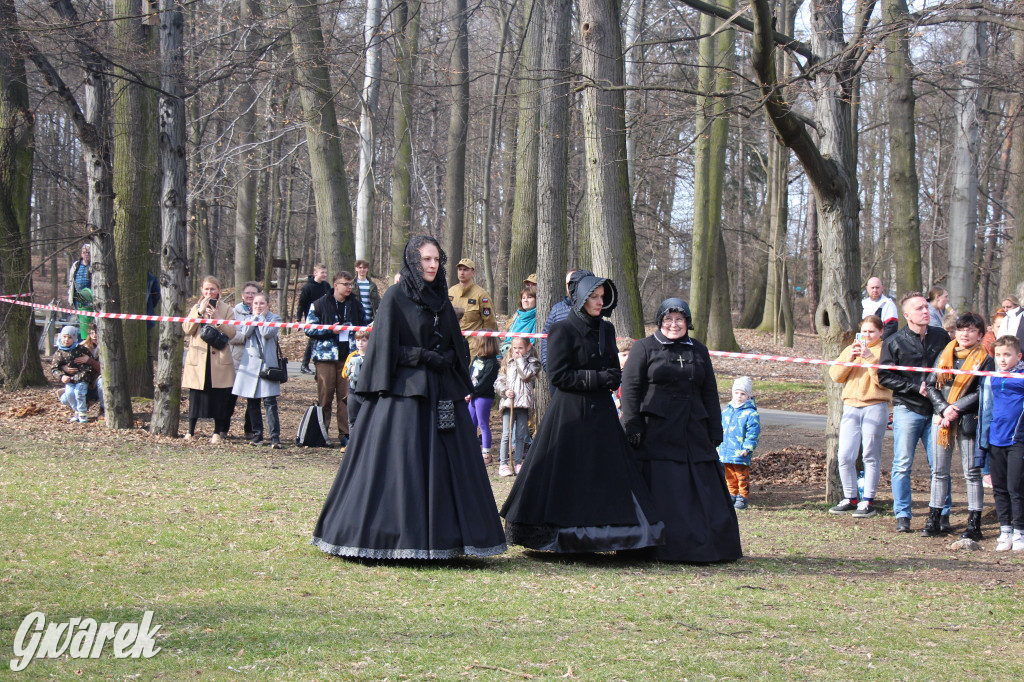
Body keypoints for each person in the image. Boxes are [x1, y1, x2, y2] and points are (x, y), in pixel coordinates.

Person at [311, 235, 507, 560]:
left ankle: (449, 537)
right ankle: (394, 535)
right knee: (402, 463)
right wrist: (421, 356)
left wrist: (447, 359)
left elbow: (454, 342)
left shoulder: (442, 300)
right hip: (404, 394)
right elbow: (385, 347)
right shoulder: (395, 297)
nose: (432, 265)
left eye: (436, 260)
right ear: (414, 262)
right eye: (426, 260)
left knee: (448, 463)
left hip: (441, 393)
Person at [501, 275, 665, 554]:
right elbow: (559, 375)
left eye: (602, 297)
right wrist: (599, 378)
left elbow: (615, 372)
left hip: (601, 413)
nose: (600, 302)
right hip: (569, 413)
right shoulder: (561, 329)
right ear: (581, 298)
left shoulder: (607, 330)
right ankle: (563, 535)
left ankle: (609, 535)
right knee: (567, 471)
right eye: (594, 297)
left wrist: (603, 378)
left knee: (605, 472)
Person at [619, 297, 741, 562]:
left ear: (687, 322)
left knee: (700, 490)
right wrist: (632, 424)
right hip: (656, 432)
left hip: (692, 431)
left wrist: (714, 428)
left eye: (679, 319)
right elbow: (630, 389)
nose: (674, 325)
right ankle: (657, 546)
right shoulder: (644, 348)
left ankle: (702, 545)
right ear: (660, 321)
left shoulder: (698, 350)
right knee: (664, 490)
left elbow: (709, 391)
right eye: (668, 319)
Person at [878, 292, 952, 532]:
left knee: (939, 466)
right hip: (907, 408)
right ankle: (902, 515)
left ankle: (942, 514)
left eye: (927, 307)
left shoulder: (941, 337)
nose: (925, 311)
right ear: (906, 314)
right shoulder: (894, 341)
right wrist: (914, 387)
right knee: (902, 464)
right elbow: (885, 375)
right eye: (919, 308)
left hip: (937, 410)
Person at [922, 312, 992, 539]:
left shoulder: (985, 358)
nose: (965, 333)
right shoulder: (946, 353)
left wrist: (956, 408)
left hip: (968, 419)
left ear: (980, 335)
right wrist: (943, 408)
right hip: (941, 419)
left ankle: (974, 524)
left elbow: (983, 391)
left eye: (971, 330)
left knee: (971, 473)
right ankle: (934, 519)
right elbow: (931, 384)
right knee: (939, 472)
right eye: (961, 329)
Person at [828, 316, 892, 518]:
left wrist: (870, 359)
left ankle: (868, 500)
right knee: (845, 455)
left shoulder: (885, 351)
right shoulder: (851, 349)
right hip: (850, 406)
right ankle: (850, 497)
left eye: (871, 332)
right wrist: (851, 359)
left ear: (881, 332)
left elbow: (885, 381)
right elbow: (836, 375)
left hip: (875, 405)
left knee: (870, 455)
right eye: (864, 331)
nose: (867, 336)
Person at [305, 272, 366, 448]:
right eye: (345, 284)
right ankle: (322, 433)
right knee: (325, 397)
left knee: (345, 397)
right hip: (325, 358)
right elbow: (309, 329)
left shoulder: (356, 305)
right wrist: (332, 330)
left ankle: (345, 434)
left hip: (349, 358)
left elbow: (364, 326)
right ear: (335, 284)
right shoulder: (319, 304)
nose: (349, 288)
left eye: (350, 284)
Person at [977, 335, 1024, 551]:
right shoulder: (991, 377)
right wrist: (983, 443)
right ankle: (1005, 529)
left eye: (1007, 355)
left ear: (1018, 356)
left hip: (1017, 441)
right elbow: (986, 410)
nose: (1002, 359)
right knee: (1000, 488)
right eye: (998, 355)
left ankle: (1019, 532)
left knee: (1016, 487)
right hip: (996, 440)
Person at [182, 276, 237, 443]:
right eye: (206, 289)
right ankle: (191, 431)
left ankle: (217, 432)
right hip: (199, 361)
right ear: (201, 290)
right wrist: (199, 312)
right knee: (196, 397)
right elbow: (187, 329)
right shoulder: (196, 307)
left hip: (218, 361)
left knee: (219, 398)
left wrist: (217, 318)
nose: (209, 292)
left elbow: (232, 333)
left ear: (218, 290)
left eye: (212, 289)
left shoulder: (227, 309)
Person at [231, 292, 283, 448]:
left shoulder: (275, 319)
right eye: (255, 304)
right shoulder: (248, 319)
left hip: (268, 364)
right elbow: (245, 333)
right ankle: (257, 435)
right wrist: (254, 319)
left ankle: (275, 437)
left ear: (268, 305)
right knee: (252, 402)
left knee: (270, 402)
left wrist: (261, 319)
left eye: (262, 304)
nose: (258, 307)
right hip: (250, 365)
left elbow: (267, 333)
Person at [494, 336, 541, 477]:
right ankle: (503, 464)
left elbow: (526, 375)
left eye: (520, 348)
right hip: (509, 403)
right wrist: (504, 391)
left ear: (528, 347)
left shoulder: (533, 363)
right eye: (515, 348)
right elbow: (498, 381)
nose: (517, 351)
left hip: (523, 404)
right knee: (506, 434)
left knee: (520, 435)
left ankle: (518, 462)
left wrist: (519, 360)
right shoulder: (507, 363)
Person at [719, 377, 761, 511]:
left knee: (741, 475)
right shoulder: (726, 411)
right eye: (736, 393)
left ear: (748, 396)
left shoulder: (751, 413)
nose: (739, 396)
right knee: (729, 474)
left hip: (740, 451)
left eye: (743, 394)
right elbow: (721, 429)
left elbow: (753, 433)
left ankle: (742, 497)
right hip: (726, 450)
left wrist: (747, 448)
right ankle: (732, 494)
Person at [228, 281, 262, 441]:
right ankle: (223, 428)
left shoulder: (264, 313)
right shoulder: (234, 312)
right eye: (247, 293)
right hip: (236, 358)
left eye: (253, 293)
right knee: (230, 397)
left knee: (253, 399)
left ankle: (251, 430)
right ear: (242, 295)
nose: (250, 296)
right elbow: (232, 335)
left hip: (255, 360)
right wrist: (248, 334)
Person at [52, 325, 96, 423]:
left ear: (74, 338)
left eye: (70, 337)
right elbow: (54, 368)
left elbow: (90, 363)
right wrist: (62, 376)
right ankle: (76, 411)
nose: (66, 340)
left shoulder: (81, 349)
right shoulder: (59, 352)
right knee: (69, 394)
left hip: (82, 378)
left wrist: (85, 371)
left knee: (79, 393)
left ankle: (82, 413)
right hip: (69, 380)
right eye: (64, 337)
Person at [468, 335, 501, 465]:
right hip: (472, 395)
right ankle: (471, 450)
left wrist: (471, 393)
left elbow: (484, 382)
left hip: (483, 397)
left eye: (477, 343)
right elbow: (470, 374)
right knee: (470, 422)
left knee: (483, 424)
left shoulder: (492, 363)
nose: (475, 345)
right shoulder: (477, 358)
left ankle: (486, 453)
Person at [448, 258, 497, 333]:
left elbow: (489, 321)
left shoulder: (481, 294)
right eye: (460, 269)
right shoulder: (451, 292)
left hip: (473, 341)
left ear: (473, 273)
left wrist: (483, 342)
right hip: (452, 340)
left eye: (466, 270)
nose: (462, 272)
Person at [297, 264, 331, 375]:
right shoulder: (307, 287)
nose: (324, 275)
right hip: (312, 317)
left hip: (324, 317)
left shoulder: (326, 286)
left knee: (321, 339)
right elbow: (301, 304)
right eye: (322, 273)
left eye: (325, 273)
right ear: (315, 273)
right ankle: (304, 365)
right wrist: (299, 319)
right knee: (312, 340)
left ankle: (320, 363)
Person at [342, 329, 370, 432]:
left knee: (368, 421)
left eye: (363, 340)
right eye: (358, 340)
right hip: (353, 392)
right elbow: (344, 373)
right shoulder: (352, 356)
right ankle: (352, 445)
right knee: (352, 420)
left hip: (367, 392)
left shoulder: (372, 356)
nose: (360, 343)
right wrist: (350, 371)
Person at [500, 287, 538, 357]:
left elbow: (532, 342)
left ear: (536, 299)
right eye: (523, 298)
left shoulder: (537, 319)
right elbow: (508, 339)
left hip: (525, 356)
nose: (525, 300)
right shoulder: (517, 317)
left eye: (529, 297)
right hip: (508, 353)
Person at [67, 243, 93, 340]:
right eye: (84, 252)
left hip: (90, 300)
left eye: (88, 253)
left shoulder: (93, 266)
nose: (86, 254)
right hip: (78, 300)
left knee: (90, 327)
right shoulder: (76, 265)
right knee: (79, 325)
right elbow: (71, 282)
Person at [352, 259, 381, 324]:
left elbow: (377, 301)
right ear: (356, 269)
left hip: (370, 318)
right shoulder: (352, 285)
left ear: (367, 269)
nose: (362, 270)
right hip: (357, 318)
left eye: (364, 268)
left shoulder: (372, 285)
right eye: (360, 268)